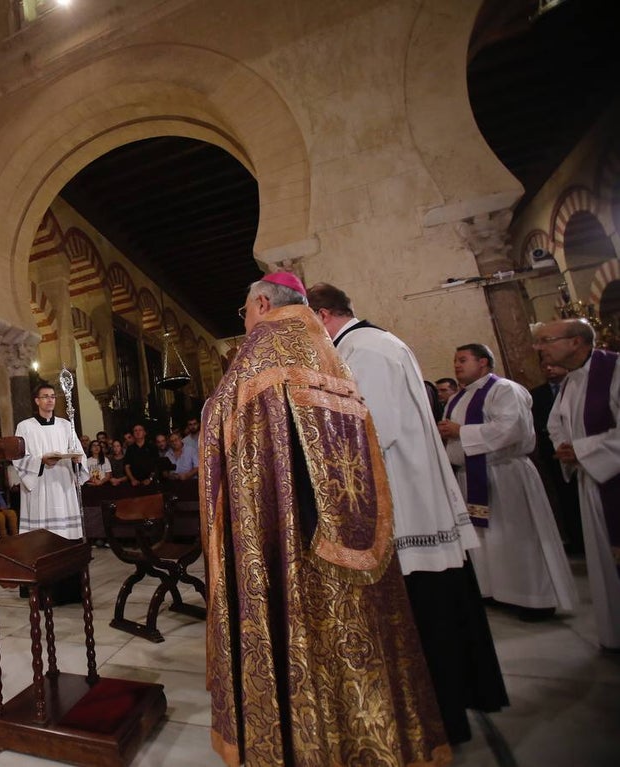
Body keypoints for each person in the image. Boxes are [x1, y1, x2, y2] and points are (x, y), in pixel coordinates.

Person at [200, 272, 448, 766]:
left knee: (295, 629)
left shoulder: (264, 349)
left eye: (245, 313)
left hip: (287, 531)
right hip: (338, 524)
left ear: (263, 303)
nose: (247, 322)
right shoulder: (328, 351)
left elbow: (225, 428)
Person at [307, 282, 507, 743]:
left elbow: (371, 429)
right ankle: (442, 714)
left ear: (322, 315)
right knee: (432, 613)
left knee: (428, 617)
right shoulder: (368, 344)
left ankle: (439, 720)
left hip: (408, 506)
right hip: (408, 498)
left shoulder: (364, 349)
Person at [438, 343, 576, 620]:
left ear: (484, 363)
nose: (457, 365)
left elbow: (512, 429)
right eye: (455, 360)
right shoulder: (457, 399)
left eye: (463, 360)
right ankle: (497, 592)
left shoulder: (504, 390)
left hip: (505, 474)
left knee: (518, 537)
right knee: (489, 540)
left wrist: (460, 431)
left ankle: (534, 598)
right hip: (471, 477)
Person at [538, 318, 620, 651]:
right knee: (604, 562)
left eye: (546, 340)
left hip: (612, 478)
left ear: (575, 341)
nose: (540, 348)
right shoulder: (572, 381)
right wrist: (566, 448)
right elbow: (555, 423)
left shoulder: (614, 371)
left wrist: (582, 450)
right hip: (593, 481)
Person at [12, 382, 89, 540]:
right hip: (40, 483)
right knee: (40, 538)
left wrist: (77, 460)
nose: (50, 400)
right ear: (37, 401)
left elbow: (79, 453)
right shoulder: (25, 427)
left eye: (53, 396)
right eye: (45, 397)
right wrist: (41, 461)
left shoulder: (66, 425)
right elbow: (19, 457)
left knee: (65, 534)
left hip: (63, 483)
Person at [531, 362, 583, 554]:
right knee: (565, 499)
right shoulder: (536, 394)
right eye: (544, 366)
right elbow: (544, 423)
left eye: (553, 365)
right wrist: (559, 444)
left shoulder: (577, 385)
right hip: (553, 454)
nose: (549, 369)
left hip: (583, 450)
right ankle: (576, 540)